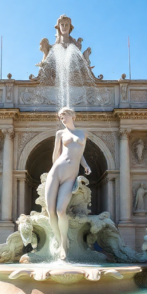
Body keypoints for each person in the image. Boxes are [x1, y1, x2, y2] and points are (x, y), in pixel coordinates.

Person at [45, 107, 92, 260]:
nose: (62, 119)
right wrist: (53, 169)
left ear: (72, 116)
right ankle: (59, 242)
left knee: (60, 210)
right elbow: (56, 153)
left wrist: (85, 165)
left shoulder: (83, 133)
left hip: (70, 176)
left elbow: (80, 153)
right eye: (60, 117)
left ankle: (64, 243)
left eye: (64, 115)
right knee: (51, 210)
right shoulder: (60, 133)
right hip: (57, 171)